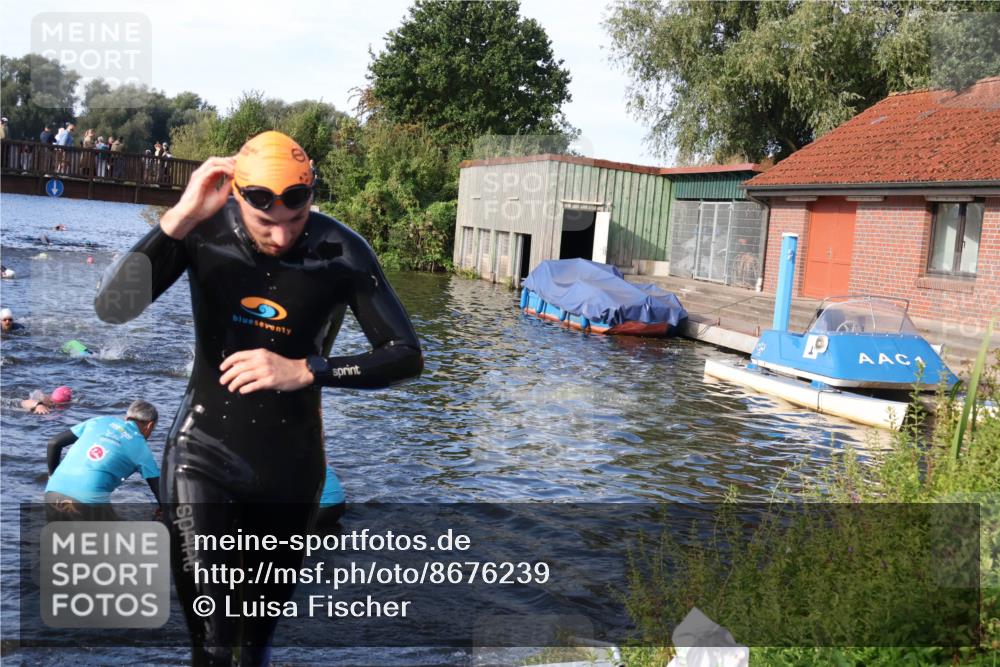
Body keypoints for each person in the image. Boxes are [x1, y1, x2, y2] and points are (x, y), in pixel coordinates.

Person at [94, 130, 422, 665]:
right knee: (216, 646)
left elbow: (405, 354)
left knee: (252, 648)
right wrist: (178, 218)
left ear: (310, 196)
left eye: (295, 220)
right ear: (240, 196)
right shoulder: (202, 233)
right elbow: (112, 308)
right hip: (203, 454)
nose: (281, 235)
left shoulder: (340, 251)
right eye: (265, 220)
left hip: (291, 469)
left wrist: (306, 369)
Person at [44, 400, 160, 521]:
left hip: (52, 492)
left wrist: (52, 476)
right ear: (150, 426)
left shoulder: (99, 420)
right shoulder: (141, 448)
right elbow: (158, 489)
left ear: (127, 418)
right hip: (88, 502)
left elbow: (54, 443)